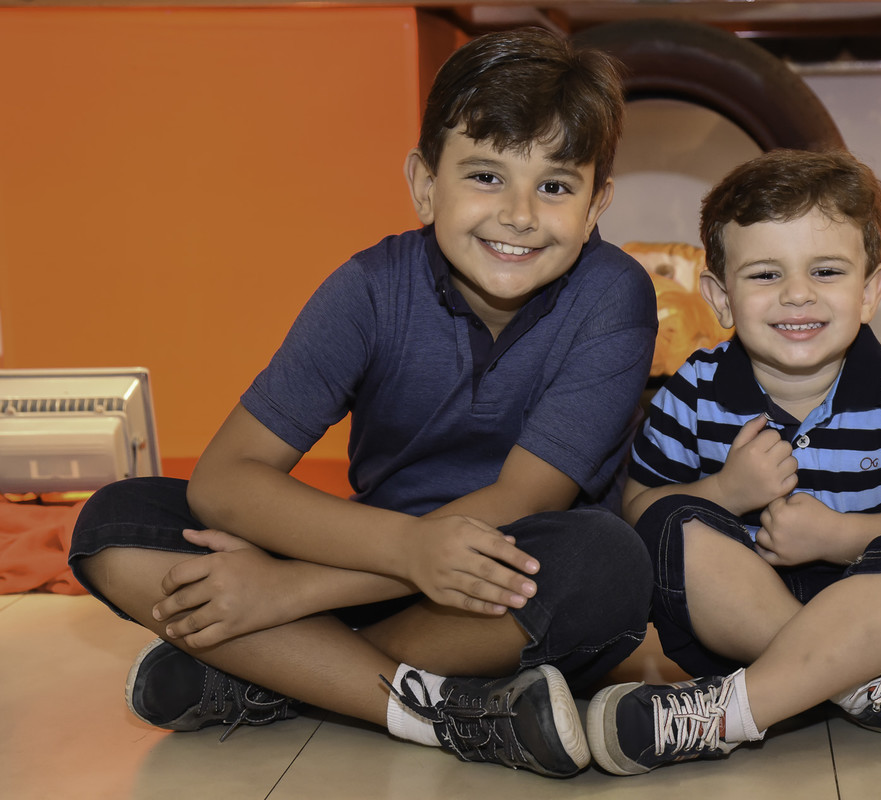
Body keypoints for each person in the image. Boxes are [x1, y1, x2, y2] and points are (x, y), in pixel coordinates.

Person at [68, 28, 658, 779]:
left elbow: (522, 499)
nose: (518, 214)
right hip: (368, 565)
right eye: (485, 176)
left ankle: (283, 674)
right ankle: (433, 709)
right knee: (114, 523)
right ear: (424, 184)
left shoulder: (614, 296)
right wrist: (402, 550)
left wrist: (290, 592)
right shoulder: (370, 289)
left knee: (610, 562)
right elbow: (226, 478)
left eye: (555, 186)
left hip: (503, 580)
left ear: (596, 202)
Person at [586, 149, 881, 775]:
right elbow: (639, 510)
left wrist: (839, 536)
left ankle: (724, 714)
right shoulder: (694, 392)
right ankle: (870, 687)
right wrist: (726, 493)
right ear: (720, 298)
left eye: (826, 271)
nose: (796, 294)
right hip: (737, 618)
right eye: (765, 275)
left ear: (869, 292)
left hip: (871, 610)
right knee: (668, 527)